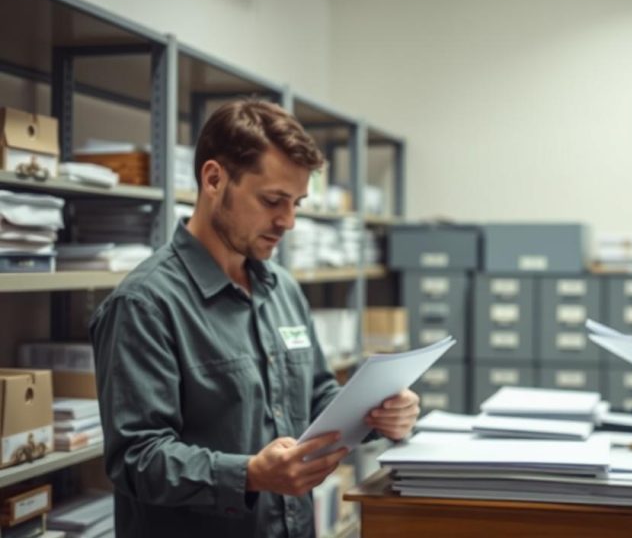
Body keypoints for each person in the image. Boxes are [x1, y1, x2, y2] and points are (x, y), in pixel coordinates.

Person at [90, 100, 421, 537]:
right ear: (214, 179)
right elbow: (137, 459)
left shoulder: (282, 288)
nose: (288, 221)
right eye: (272, 201)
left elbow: (316, 397)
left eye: (297, 203)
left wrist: (378, 414)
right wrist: (249, 474)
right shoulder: (145, 304)